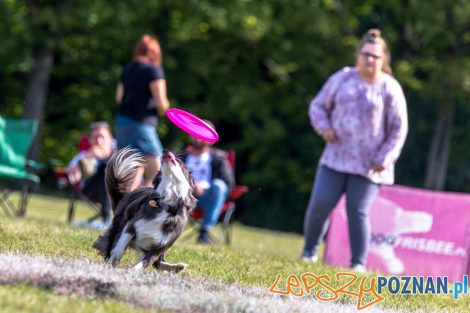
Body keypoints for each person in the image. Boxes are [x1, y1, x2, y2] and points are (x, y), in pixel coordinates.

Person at [301, 29, 408, 272]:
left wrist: (385, 157)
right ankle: (309, 252)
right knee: (320, 204)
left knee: (357, 211)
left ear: (384, 60)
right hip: (335, 158)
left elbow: (399, 129)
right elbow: (317, 106)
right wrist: (324, 128)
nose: (370, 60)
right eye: (365, 54)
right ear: (358, 55)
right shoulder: (343, 78)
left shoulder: (390, 88)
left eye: (375, 56)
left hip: (370, 165)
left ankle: (358, 263)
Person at [115, 34, 170, 189]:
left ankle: (126, 208)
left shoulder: (128, 68)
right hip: (142, 125)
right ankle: (145, 203)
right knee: (158, 171)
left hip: (122, 123)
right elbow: (161, 102)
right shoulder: (154, 70)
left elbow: (119, 97)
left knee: (133, 170)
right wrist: (166, 108)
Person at [181, 121, 235, 244]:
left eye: (202, 134)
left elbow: (229, 183)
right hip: (183, 197)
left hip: (207, 198)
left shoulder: (219, 157)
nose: (197, 137)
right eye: (195, 132)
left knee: (219, 186)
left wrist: (204, 189)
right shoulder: (182, 156)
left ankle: (204, 232)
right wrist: (191, 184)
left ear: (210, 138)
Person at [66, 121, 115, 227]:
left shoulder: (118, 153)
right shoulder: (83, 156)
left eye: (102, 136)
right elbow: (72, 176)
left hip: (118, 189)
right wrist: (89, 157)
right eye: (95, 137)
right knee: (105, 170)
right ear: (91, 140)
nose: (98, 140)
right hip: (92, 189)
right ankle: (106, 221)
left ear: (110, 139)